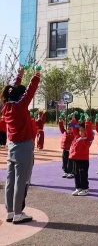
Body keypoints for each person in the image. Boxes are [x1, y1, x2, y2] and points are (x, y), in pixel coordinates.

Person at [1, 66, 40, 224]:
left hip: (12, 147)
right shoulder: (20, 106)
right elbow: (30, 91)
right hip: (23, 147)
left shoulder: (7, 106)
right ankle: (18, 213)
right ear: (19, 96)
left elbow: (14, 91)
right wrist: (36, 77)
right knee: (21, 181)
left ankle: (10, 211)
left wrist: (19, 75)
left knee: (10, 181)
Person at [69, 115, 93, 196]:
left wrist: (87, 122)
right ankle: (78, 187)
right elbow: (74, 128)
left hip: (83, 159)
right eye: (80, 131)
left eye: (82, 131)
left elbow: (89, 132)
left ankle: (85, 189)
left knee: (83, 174)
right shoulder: (77, 137)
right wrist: (73, 120)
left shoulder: (88, 139)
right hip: (75, 158)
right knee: (76, 173)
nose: (80, 132)